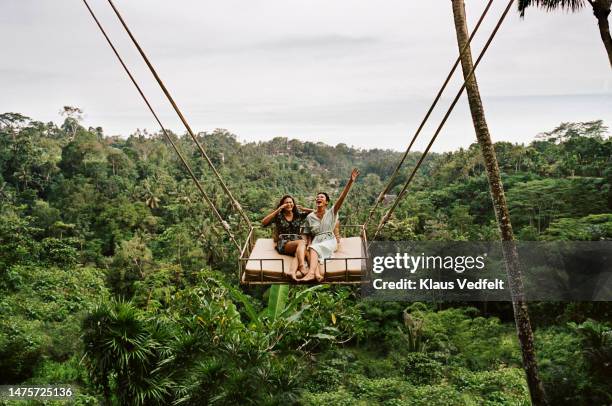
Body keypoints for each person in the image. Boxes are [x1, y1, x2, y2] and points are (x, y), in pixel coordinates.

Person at [301, 168, 360, 282]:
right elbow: (307, 233)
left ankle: (311, 273)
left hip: (329, 240)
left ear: (326, 202)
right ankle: (317, 274)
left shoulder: (331, 213)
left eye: (322, 197)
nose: (319, 198)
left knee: (313, 249)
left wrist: (350, 182)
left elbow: (342, 198)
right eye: (317, 197)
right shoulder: (310, 217)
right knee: (309, 250)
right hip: (316, 241)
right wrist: (307, 243)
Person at [261, 195, 313, 278]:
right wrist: (278, 210)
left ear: (293, 204)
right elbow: (263, 222)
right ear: (282, 205)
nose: (289, 204)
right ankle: (302, 266)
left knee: (305, 253)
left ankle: (305, 272)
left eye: (291, 202)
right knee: (302, 244)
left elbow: (317, 212)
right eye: (286, 203)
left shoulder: (298, 215)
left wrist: (304, 209)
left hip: (297, 242)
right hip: (284, 243)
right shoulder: (278, 216)